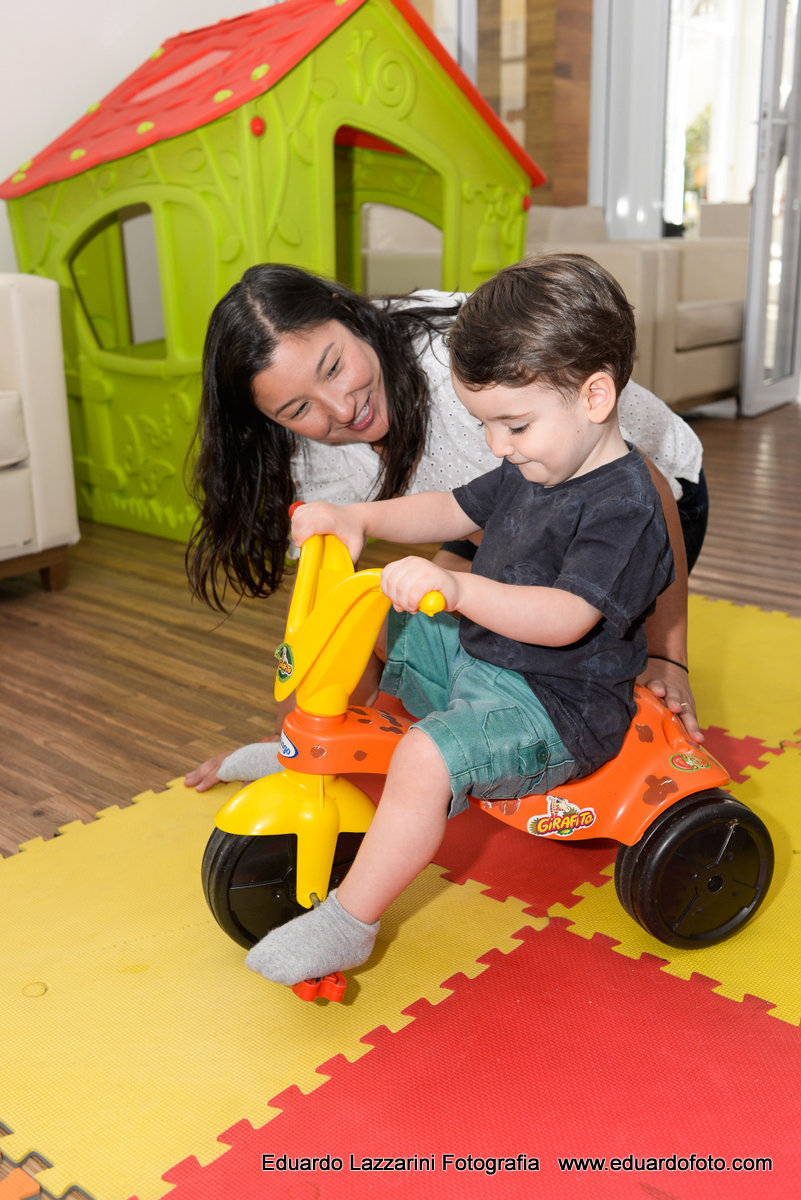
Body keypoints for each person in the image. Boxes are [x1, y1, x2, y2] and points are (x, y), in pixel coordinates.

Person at [244, 253, 675, 987]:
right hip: (492, 659)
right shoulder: (537, 459)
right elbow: (448, 508)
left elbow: (568, 618)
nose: (496, 446)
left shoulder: (621, 506)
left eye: (511, 425)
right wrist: (353, 515)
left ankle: (350, 921)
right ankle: (329, 747)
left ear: (595, 395)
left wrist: (461, 586)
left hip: (556, 707)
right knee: (386, 625)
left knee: (425, 757)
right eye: (484, 426)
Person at [184, 262, 705, 792]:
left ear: (349, 316)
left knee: (544, 639)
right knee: (396, 611)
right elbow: (441, 520)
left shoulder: (462, 375)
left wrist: (667, 657)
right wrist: (296, 741)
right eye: (298, 408)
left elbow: (645, 494)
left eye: (335, 367)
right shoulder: (318, 459)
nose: (341, 408)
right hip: (508, 509)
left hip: (654, 505)